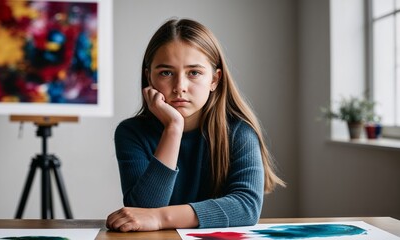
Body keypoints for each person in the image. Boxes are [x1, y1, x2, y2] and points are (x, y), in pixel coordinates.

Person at [106, 18, 285, 232]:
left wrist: (161, 219)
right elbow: (141, 211)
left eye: (194, 73)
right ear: (149, 78)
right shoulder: (131, 133)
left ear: (214, 80)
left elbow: (246, 208)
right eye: (166, 73)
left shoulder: (239, 132)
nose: (180, 87)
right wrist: (173, 128)